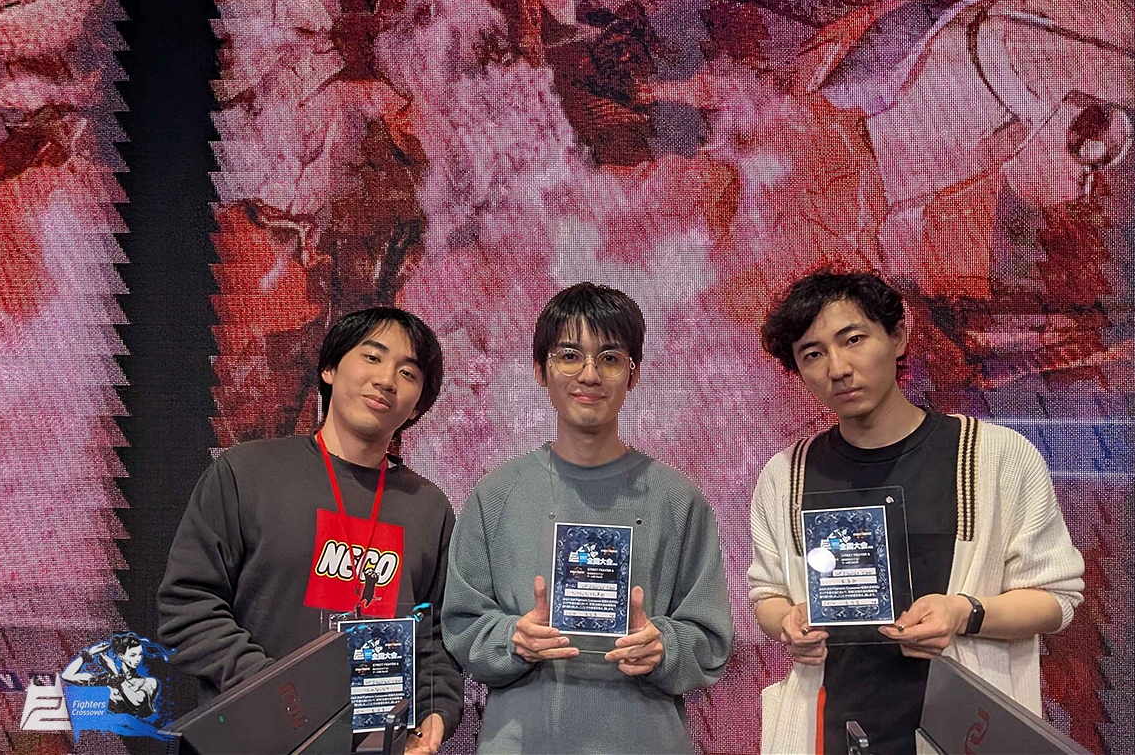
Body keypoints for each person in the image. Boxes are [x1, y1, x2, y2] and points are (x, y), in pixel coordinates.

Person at [748, 269, 1085, 754]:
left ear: (898, 337)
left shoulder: (994, 457)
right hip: (830, 730)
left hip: (965, 733)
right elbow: (767, 595)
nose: (837, 368)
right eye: (813, 354)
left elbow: (1057, 600)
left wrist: (962, 613)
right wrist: (787, 620)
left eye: (853, 339)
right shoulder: (786, 474)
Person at [442, 283, 734, 754]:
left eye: (610, 358)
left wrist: (664, 646)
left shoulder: (678, 500)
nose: (590, 374)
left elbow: (711, 638)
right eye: (570, 356)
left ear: (633, 374)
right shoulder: (495, 495)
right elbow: (461, 625)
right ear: (540, 370)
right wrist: (513, 638)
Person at [158, 307, 463, 754]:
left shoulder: (428, 507)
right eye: (372, 357)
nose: (386, 380)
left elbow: (433, 634)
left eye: (408, 372)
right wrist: (275, 691)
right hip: (251, 740)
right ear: (329, 368)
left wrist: (436, 710)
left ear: (418, 404)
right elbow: (188, 606)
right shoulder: (247, 472)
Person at [62, 632, 160, 718]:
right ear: (121, 656)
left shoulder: (149, 682)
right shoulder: (105, 679)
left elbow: (136, 703)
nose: (138, 659)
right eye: (133, 655)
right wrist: (90, 653)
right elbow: (67, 676)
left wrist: (114, 673)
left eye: (140, 654)